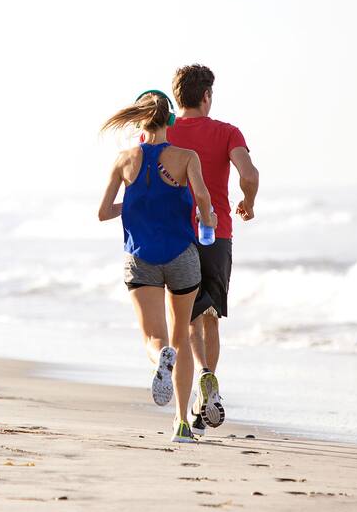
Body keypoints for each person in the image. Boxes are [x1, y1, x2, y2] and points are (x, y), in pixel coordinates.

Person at [98, 90, 217, 443]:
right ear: (170, 120)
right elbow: (204, 199)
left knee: (155, 339)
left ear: (139, 120)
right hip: (181, 256)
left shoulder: (124, 160)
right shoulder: (186, 157)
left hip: (141, 258)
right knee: (181, 338)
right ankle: (182, 424)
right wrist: (207, 219)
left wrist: (134, 206)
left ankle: (158, 358)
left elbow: (103, 212)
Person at [165, 64, 259, 437]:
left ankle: (193, 400)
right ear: (207, 96)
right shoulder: (227, 132)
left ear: (177, 96)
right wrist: (247, 202)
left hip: (176, 235)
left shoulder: (164, 131)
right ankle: (207, 383)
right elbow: (249, 175)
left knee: (187, 319)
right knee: (209, 317)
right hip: (216, 235)